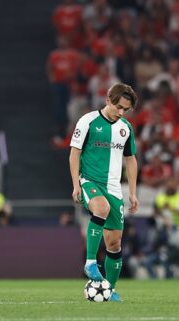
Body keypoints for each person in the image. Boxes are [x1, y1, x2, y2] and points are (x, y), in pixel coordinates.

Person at [69, 83, 139, 302]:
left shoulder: (125, 128)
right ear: (108, 99)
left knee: (114, 243)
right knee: (101, 207)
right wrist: (76, 185)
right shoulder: (88, 121)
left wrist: (133, 193)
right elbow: (74, 153)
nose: (121, 112)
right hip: (90, 180)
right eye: (118, 107)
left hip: (114, 188)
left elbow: (131, 159)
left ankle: (110, 289)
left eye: (125, 110)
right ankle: (90, 262)